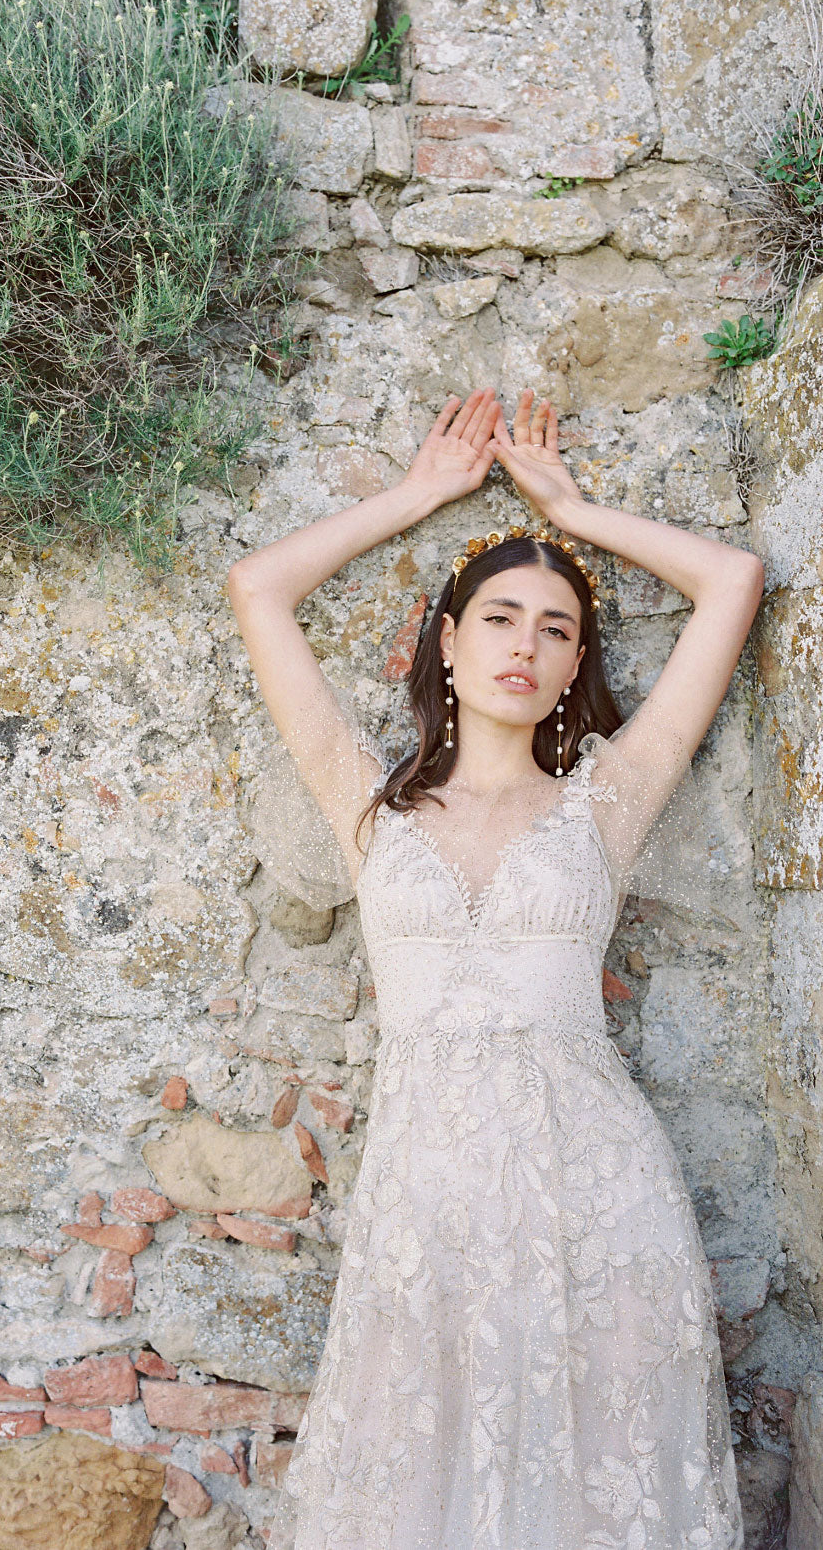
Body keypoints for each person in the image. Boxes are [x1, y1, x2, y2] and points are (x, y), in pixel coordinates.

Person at [227, 386, 762, 1550]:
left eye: (559, 628)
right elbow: (259, 589)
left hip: (599, 1196)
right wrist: (419, 498)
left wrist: (577, 508)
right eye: (503, 617)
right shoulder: (366, 804)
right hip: (426, 1210)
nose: (528, 644)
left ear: (576, 667)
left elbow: (730, 582)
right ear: (448, 642)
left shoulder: (610, 801)